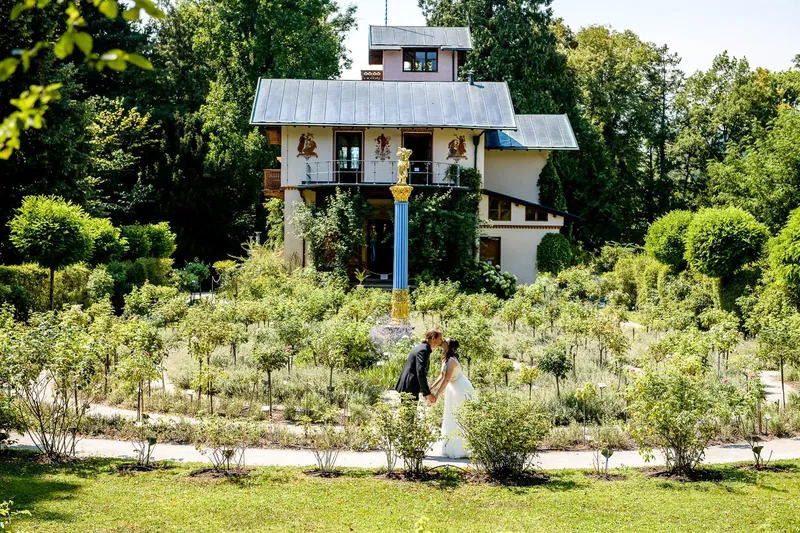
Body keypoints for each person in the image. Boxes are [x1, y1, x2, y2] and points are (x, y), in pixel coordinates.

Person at [430, 338, 477, 459]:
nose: (443, 342)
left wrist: (437, 394)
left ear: (450, 346)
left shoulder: (451, 361)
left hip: (459, 389)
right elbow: (441, 376)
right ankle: (450, 447)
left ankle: (462, 449)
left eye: (445, 341)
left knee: (458, 416)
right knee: (450, 415)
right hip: (452, 389)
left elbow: (446, 380)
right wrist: (432, 388)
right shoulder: (445, 358)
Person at [395, 329, 442, 404]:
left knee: (408, 413)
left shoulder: (423, 348)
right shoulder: (423, 350)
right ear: (433, 338)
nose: (441, 341)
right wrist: (427, 393)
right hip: (410, 386)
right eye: (440, 338)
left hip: (410, 385)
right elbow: (420, 373)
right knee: (409, 413)